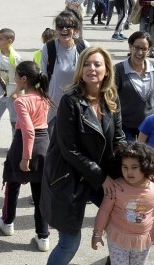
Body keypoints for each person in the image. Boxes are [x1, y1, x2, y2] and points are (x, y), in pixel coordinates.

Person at [41, 46, 125, 265]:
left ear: (106, 70)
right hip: (69, 179)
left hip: (98, 175)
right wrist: (102, 177)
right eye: (86, 64)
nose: (91, 68)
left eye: (97, 64)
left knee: (125, 222)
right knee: (70, 242)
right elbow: (70, 149)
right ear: (80, 69)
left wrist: (136, 169)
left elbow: (118, 141)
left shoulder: (111, 99)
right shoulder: (70, 101)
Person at [0, 61, 51, 252]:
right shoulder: (44, 97)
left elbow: (28, 131)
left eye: (16, 75)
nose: (14, 79)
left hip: (24, 144)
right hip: (44, 144)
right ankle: (43, 235)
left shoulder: (21, 101)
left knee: (12, 184)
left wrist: (25, 157)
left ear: (24, 79)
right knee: (39, 193)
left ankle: (8, 222)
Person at [91, 141, 154, 265]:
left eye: (134, 167)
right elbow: (104, 211)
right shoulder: (115, 187)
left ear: (145, 166)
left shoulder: (152, 189)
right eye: (124, 167)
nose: (129, 172)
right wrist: (97, 233)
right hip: (118, 239)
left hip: (143, 241)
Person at [40, 10, 89, 135]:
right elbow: (44, 75)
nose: (64, 29)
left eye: (69, 26)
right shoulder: (49, 47)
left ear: (76, 29)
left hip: (79, 104)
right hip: (54, 106)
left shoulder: (84, 46)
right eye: (60, 26)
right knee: (52, 144)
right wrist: (44, 98)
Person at [114, 31, 154, 141]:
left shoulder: (153, 68)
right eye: (136, 47)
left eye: (144, 49)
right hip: (126, 129)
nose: (140, 52)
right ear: (130, 47)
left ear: (149, 50)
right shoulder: (118, 70)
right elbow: (111, 100)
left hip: (149, 129)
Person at [0, 27, 22, 131]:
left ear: (10, 41)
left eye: (0, 39)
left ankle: (15, 146)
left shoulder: (15, 58)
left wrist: (17, 92)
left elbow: (23, 77)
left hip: (12, 95)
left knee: (14, 121)